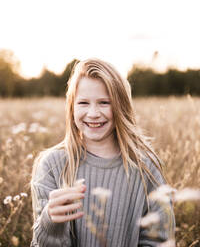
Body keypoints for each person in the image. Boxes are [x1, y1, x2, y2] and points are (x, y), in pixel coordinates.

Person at [30, 58, 175, 247]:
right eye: (83, 103)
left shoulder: (147, 168)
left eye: (104, 102)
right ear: (72, 107)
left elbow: (160, 241)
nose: (93, 113)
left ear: (121, 106)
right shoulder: (52, 165)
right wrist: (50, 223)